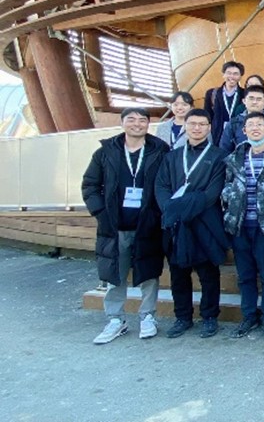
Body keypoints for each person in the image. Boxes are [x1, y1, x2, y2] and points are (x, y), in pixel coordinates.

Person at [83, 108, 170, 344]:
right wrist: (101, 213)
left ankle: (147, 316)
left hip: (147, 224)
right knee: (115, 273)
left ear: (148, 124)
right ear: (122, 123)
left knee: (149, 273)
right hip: (115, 226)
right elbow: (90, 185)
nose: (137, 124)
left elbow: (167, 183)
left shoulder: (159, 150)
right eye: (131, 119)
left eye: (142, 120)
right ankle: (115, 319)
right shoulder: (106, 152)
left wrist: (158, 214)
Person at [153, 108, 228, 339]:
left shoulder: (219, 156)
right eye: (193, 123)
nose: (197, 128)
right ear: (185, 126)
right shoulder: (172, 157)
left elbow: (211, 194)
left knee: (208, 274)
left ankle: (209, 317)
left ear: (209, 128)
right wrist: (172, 210)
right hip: (176, 225)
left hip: (205, 222)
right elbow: (161, 187)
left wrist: (179, 207)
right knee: (178, 274)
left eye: (202, 124)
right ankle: (183, 317)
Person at [220, 112, 264, 340]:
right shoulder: (235, 157)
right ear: (244, 130)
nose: (255, 128)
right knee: (245, 274)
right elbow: (226, 185)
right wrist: (229, 205)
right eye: (250, 125)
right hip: (239, 224)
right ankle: (249, 315)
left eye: (260, 124)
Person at [219, 84, 264, 154]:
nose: (254, 102)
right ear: (244, 101)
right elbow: (224, 150)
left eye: (259, 99)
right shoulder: (234, 124)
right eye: (251, 98)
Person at [204, 61, 244, 145]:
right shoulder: (212, 93)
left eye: (235, 74)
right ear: (223, 75)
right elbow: (207, 115)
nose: (232, 76)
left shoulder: (244, 94)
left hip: (239, 133)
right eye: (229, 73)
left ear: (240, 76)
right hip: (218, 134)